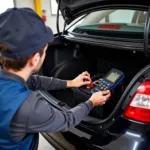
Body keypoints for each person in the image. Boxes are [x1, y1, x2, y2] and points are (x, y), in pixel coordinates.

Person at [0, 8, 111, 150]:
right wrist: (91, 102)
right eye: (45, 51)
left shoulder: (7, 78)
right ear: (35, 59)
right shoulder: (29, 108)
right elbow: (67, 120)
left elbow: (34, 81)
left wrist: (71, 83)